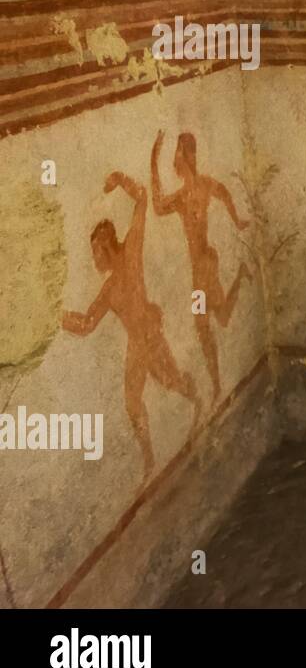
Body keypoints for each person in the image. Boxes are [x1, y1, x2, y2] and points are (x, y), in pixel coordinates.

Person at [63, 172, 201, 479]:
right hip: (136, 345)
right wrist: (57, 317)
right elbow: (86, 324)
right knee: (132, 401)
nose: (94, 258)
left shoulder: (130, 254)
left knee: (171, 381)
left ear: (107, 246)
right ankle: (150, 460)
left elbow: (141, 198)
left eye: (96, 251)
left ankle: (196, 397)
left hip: (151, 337)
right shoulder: (109, 289)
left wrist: (117, 179)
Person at [151, 131, 251, 399]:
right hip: (208, 261)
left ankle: (217, 385)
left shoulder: (186, 195)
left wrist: (153, 160)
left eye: (178, 153)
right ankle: (241, 275)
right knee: (222, 317)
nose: (176, 159)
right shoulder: (200, 187)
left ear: (187, 156)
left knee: (202, 327)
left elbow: (158, 206)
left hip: (201, 270)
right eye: (176, 153)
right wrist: (237, 219)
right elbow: (225, 194)